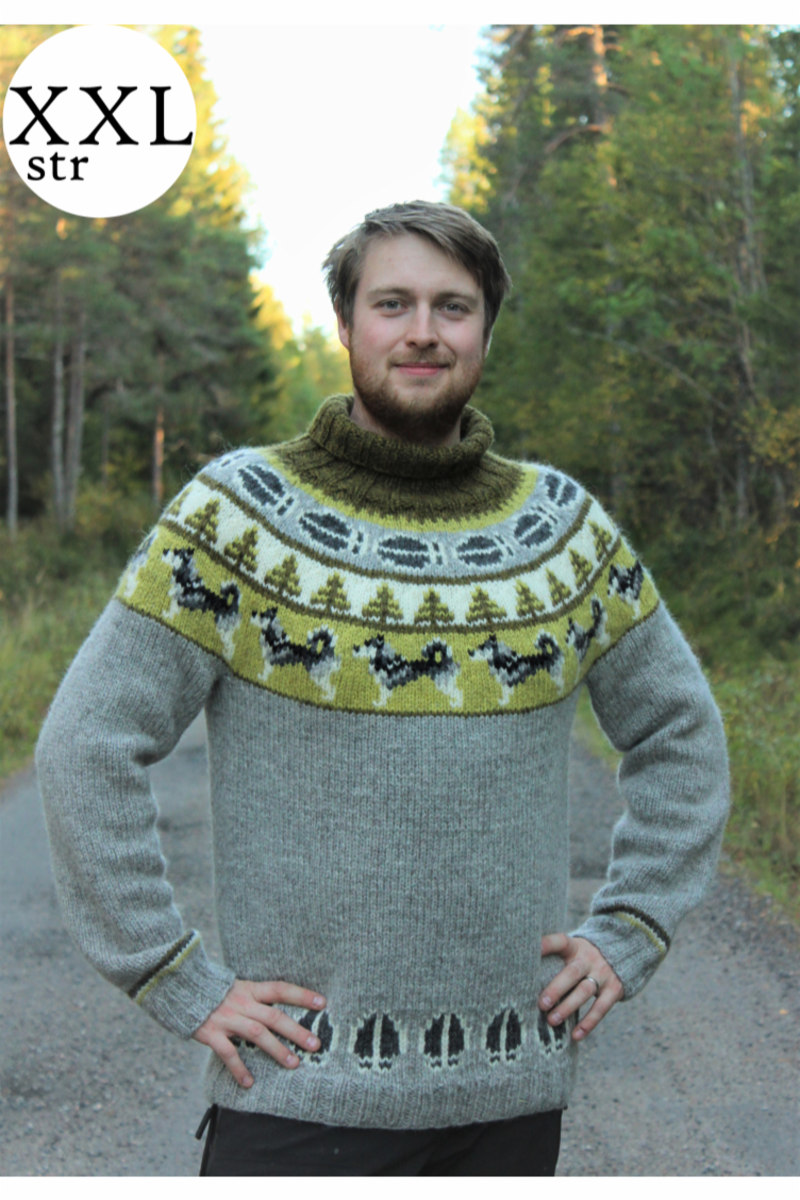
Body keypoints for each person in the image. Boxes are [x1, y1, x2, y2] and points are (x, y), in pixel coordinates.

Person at [36, 200, 730, 1176]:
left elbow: (681, 736)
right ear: (346, 323)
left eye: (453, 307)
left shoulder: (563, 535)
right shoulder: (236, 520)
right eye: (392, 303)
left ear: (485, 330)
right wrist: (171, 973)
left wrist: (631, 927)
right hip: (296, 1098)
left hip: (509, 1103)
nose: (422, 332)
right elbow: (85, 745)